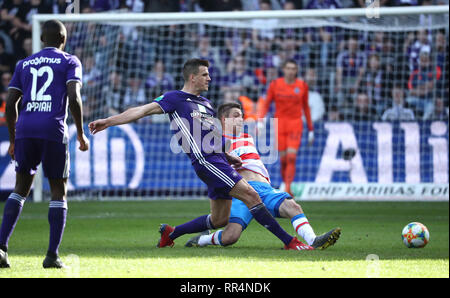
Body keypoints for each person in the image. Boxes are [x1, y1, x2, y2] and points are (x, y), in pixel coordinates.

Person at [88, 58, 312, 251]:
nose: (209, 78)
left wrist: (228, 156)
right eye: (205, 74)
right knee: (252, 196)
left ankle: (171, 233)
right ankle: (290, 242)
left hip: (217, 160)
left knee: (220, 219)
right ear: (192, 77)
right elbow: (142, 110)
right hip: (206, 161)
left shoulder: (206, 104)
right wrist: (109, 121)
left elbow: (211, 136)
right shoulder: (174, 98)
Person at [185, 102, 341, 249]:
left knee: (293, 207)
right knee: (230, 237)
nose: (241, 119)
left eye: (241, 116)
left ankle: (313, 240)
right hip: (240, 192)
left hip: (263, 188)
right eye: (236, 115)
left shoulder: (247, 138)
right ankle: (202, 239)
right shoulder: (216, 141)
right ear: (225, 119)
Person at [0, 20, 89, 269]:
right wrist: (81, 134)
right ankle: (51, 255)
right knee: (58, 191)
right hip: (53, 130)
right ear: (64, 39)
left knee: (20, 188)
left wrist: (13, 137)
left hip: (26, 131)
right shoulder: (70, 61)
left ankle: (1, 248)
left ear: (42, 40)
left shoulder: (24, 64)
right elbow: (74, 96)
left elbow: (10, 102)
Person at [257, 59, 314, 197]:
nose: (290, 71)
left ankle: (288, 188)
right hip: (280, 124)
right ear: (284, 70)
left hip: (295, 124)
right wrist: (261, 121)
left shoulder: (302, 86)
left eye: (293, 68)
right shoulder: (275, 84)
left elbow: (306, 107)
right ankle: (285, 183)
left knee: (291, 157)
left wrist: (311, 129)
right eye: (288, 68)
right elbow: (266, 103)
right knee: (283, 160)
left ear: (296, 71)